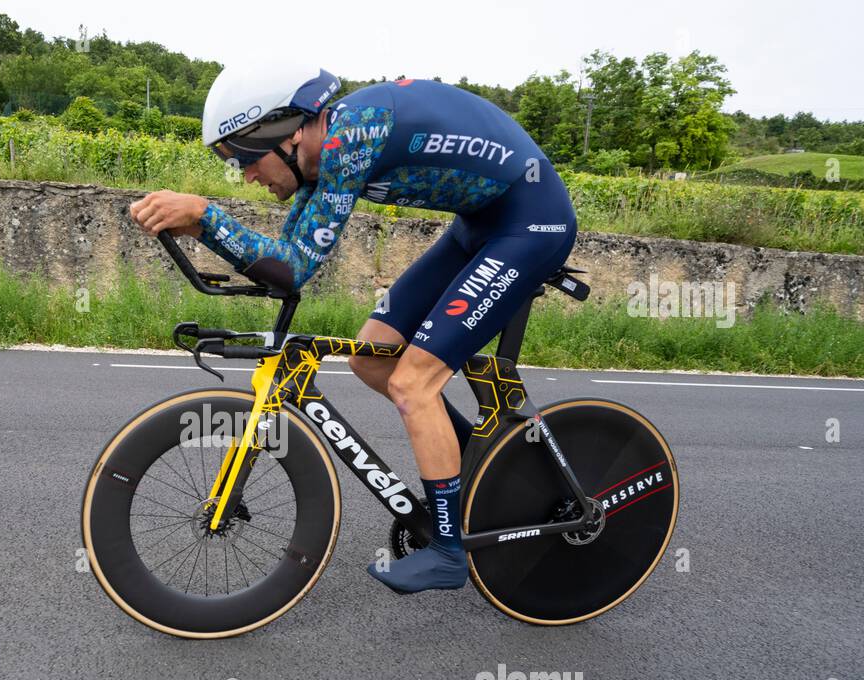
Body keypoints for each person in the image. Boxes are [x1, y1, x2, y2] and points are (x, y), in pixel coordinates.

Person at [128, 62, 577, 595]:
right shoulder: (318, 162)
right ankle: (480, 467)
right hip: (478, 227)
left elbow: (294, 267)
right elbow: (282, 268)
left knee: (414, 382)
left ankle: (448, 552)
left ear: (289, 134)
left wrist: (208, 217)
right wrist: (204, 228)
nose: (246, 176)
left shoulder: (351, 137)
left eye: (247, 161)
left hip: (531, 223)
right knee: (371, 357)